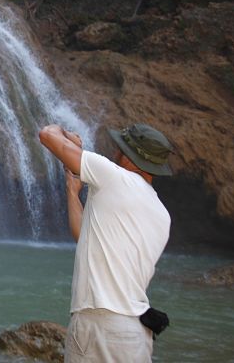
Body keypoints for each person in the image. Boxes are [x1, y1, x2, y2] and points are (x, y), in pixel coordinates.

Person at [39, 122, 173, 363]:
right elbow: (86, 238)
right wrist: (72, 191)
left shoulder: (113, 176)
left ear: (130, 157)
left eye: (120, 149)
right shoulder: (163, 214)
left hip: (98, 325)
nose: (114, 153)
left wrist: (69, 138)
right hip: (136, 332)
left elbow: (47, 135)